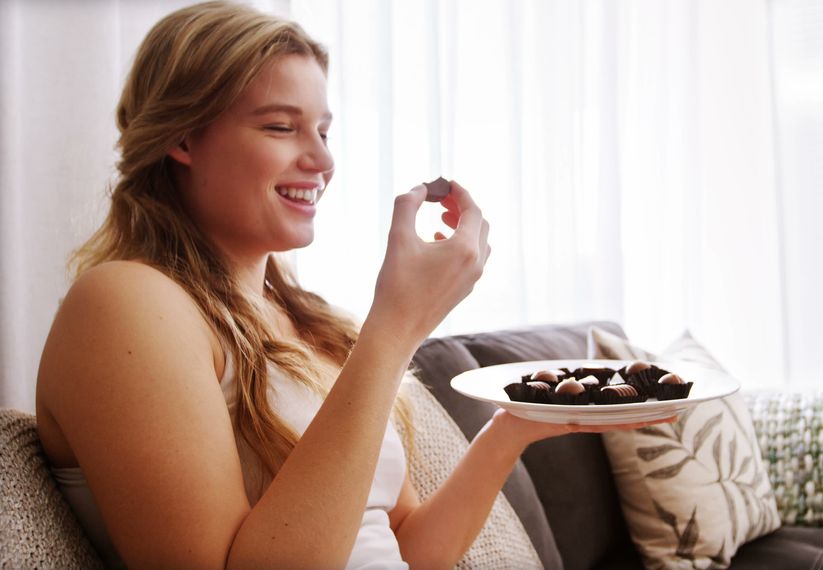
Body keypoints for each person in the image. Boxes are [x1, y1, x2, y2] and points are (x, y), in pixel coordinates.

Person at [34, 2, 666, 568]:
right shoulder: (125, 302)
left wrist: (514, 428)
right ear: (182, 137)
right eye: (281, 127)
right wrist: (395, 325)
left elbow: (409, 548)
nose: (323, 160)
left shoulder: (308, 324)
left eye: (324, 131)